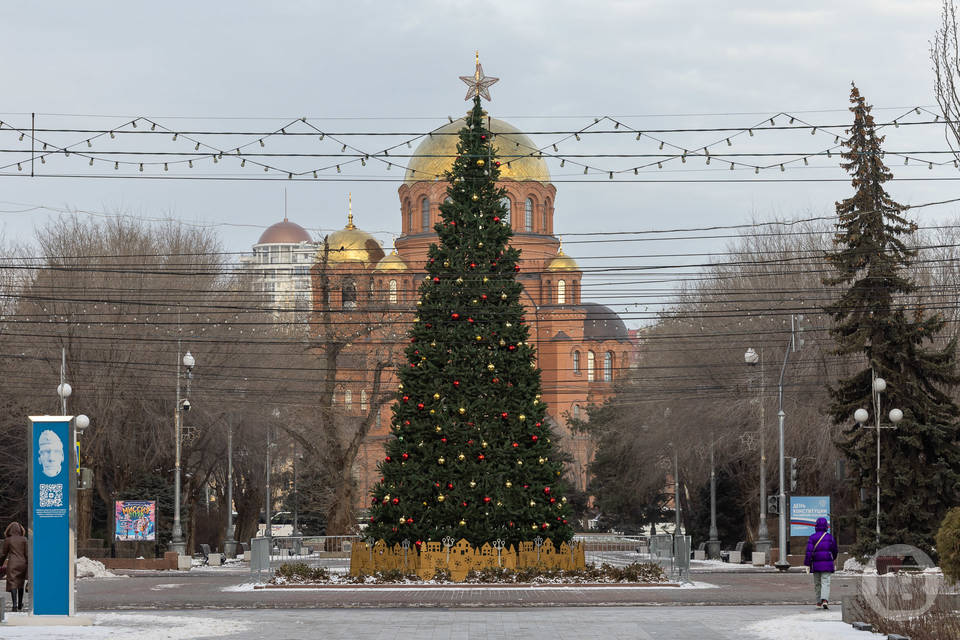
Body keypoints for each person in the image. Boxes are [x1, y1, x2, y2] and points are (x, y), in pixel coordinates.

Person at [803, 517, 838, 609]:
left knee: (817, 583)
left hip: (816, 564)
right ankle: (825, 600)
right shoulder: (830, 537)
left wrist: (807, 563)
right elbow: (835, 550)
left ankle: (819, 601)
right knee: (825, 582)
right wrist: (832, 558)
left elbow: (809, 552)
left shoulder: (812, 537)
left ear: (816, 526)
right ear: (826, 526)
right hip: (827, 564)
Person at [0, 522, 28, 612]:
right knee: (20, 583)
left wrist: (0, 563)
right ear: (21, 530)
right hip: (23, 564)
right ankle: (20, 604)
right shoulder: (24, 539)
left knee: (13, 583)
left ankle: (14, 605)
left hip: (12, 563)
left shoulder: (8, 540)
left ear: (9, 530)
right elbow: (27, 554)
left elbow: (3, 554)